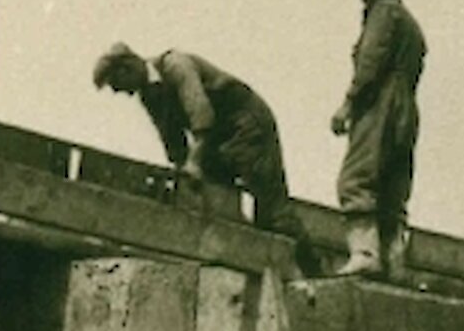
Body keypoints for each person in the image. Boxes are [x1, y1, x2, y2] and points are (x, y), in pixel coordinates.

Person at [93, 43, 318, 271]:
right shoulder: (149, 95)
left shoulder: (176, 66)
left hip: (247, 122)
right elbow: (172, 140)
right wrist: (184, 170)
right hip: (218, 137)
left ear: (127, 68)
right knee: (210, 191)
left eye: (115, 84)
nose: (118, 91)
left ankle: (314, 271)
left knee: (271, 209)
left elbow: (201, 114)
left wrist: (194, 162)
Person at [332, 0, 426, 278]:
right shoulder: (410, 23)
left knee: (357, 178)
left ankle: (365, 253)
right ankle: (394, 263)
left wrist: (348, 103)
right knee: (392, 187)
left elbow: (371, 60)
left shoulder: (384, 13)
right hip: (406, 106)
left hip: (381, 101)